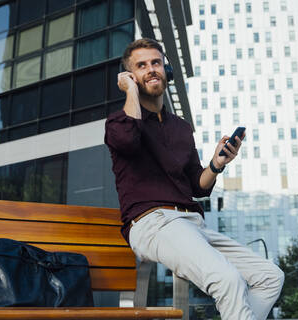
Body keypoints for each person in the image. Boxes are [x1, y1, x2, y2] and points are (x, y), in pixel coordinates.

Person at [104, 38, 284, 319]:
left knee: (270, 276)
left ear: (168, 70)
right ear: (129, 77)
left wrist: (216, 163)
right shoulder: (119, 122)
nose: (151, 69)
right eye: (141, 66)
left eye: (156, 63)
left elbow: (194, 185)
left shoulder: (181, 128)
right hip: (153, 223)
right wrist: (130, 92)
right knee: (227, 280)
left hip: (191, 224)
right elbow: (128, 141)